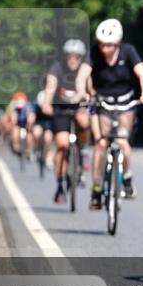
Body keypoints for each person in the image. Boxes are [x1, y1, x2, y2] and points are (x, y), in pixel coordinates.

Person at [76, 19, 143, 210]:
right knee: (101, 144)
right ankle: (96, 188)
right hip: (102, 102)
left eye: (110, 45)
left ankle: (127, 178)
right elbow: (82, 75)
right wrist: (82, 92)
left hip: (124, 102)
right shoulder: (94, 53)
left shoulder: (128, 51)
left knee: (122, 142)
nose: (105, 49)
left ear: (118, 43)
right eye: (102, 44)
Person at [42, 38, 92, 204]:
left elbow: (91, 88)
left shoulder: (85, 70)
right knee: (62, 144)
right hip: (61, 110)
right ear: (65, 56)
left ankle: (82, 150)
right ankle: (60, 184)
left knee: (83, 121)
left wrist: (91, 97)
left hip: (79, 107)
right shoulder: (57, 68)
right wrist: (47, 103)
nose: (73, 59)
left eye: (76, 56)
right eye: (69, 56)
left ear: (81, 57)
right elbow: (50, 87)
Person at [9, 91, 36, 159]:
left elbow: (31, 117)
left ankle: (29, 150)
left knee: (29, 135)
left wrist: (29, 124)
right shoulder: (14, 107)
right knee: (15, 133)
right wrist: (14, 121)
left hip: (26, 123)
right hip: (18, 123)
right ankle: (16, 149)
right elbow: (13, 118)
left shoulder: (28, 106)